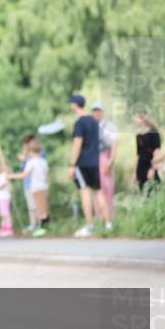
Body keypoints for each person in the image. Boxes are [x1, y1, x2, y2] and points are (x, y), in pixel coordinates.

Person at [68, 94, 112, 237]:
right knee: (98, 192)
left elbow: (77, 144)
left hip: (83, 163)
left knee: (85, 192)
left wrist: (72, 164)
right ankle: (108, 224)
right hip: (94, 162)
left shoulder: (80, 123)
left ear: (75, 105)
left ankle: (89, 226)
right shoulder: (94, 122)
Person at [8, 138, 50, 237]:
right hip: (44, 187)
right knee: (44, 207)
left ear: (30, 151)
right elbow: (47, 175)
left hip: (36, 187)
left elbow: (24, 175)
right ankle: (44, 227)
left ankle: (43, 228)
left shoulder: (31, 162)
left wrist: (11, 176)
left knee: (40, 208)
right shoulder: (43, 161)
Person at [92, 102, 118, 217]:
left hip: (105, 158)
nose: (96, 113)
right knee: (96, 190)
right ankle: (100, 217)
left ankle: (109, 217)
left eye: (98, 110)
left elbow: (114, 145)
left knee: (107, 189)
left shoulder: (109, 126)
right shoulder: (91, 126)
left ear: (102, 112)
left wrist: (111, 161)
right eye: (94, 111)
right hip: (93, 160)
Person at [133, 111, 163, 194]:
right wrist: (135, 173)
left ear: (142, 119)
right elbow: (138, 154)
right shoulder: (138, 135)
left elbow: (157, 152)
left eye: (136, 117)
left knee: (154, 191)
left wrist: (152, 169)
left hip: (150, 166)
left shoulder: (154, 133)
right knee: (143, 192)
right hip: (141, 168)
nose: (134, 120)